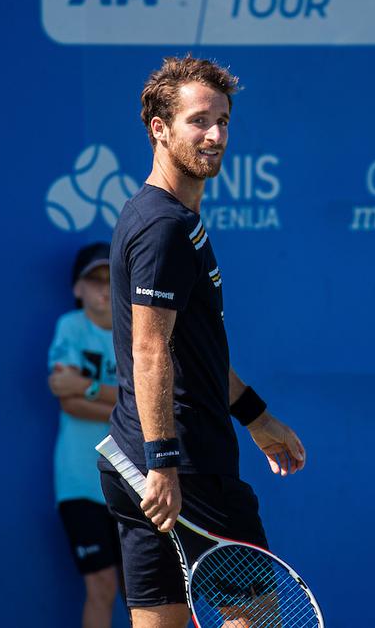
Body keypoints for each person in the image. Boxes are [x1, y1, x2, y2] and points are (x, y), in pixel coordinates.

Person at [100, 56, 308, 628]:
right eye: (198, 121)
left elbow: (196, 353)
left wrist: (255, 416)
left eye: (223, 120)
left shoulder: (160, 216)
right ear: (159, 129)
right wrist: (166, 464)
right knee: (257, 618)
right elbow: (150, 350)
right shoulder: (164, 226)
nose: (215, 135)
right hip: (183, 467)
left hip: (134, 463)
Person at [47, 242, 122, 628]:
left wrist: (87, 387)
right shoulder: (70, 327)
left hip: (136, 486)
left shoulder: (137, 334)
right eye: (94, 279)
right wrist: (124, 409)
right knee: (102, 586)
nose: (103, 288)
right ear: (77, 289)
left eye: (112, 279)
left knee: (148, 595)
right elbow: (67, 401)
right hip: (79, 484)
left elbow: (147, 406)